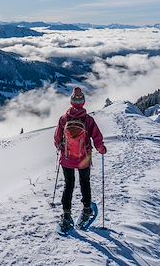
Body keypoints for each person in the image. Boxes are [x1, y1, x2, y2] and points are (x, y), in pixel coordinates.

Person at [54, 87, 106, 233]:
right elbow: (97, 137)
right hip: (84, 157)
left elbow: (57, 138)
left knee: (68, 184)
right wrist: (101, 149)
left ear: (71, 102)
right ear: (83, 103)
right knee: (85, 182)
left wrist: (60, 147)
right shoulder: (88, 120)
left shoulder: (64, 119)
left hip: (67, 158)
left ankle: (66, 214)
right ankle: (87, 209)